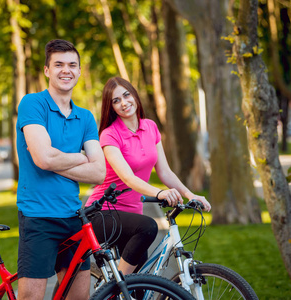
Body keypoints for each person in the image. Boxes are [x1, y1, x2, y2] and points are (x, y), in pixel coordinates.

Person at [85, 77, 211, 275]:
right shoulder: (109, 135)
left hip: (132, 215)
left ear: (135, 95)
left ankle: (122, 289)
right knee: (148, 227)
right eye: (116, 100)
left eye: (126, 95)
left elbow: (165, 172)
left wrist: (190, 194)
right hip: (103, 213)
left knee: (140, 288)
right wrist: (160, 193)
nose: (124, 103)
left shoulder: (150, 127)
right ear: (111, 107)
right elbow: (127, 178)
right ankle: (117, 290)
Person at [15, 39, 106, 300]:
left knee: (77, 296)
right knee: (32, 297)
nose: (65, 70)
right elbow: (43, 159)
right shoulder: (33, 104)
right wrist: (79, 158)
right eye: (58, 65)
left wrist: (56, 159)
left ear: (79, 72)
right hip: (38, 216)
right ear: (47, 71)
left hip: (73, 217)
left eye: (72, 65)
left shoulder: (86, 117)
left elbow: (99, 172)